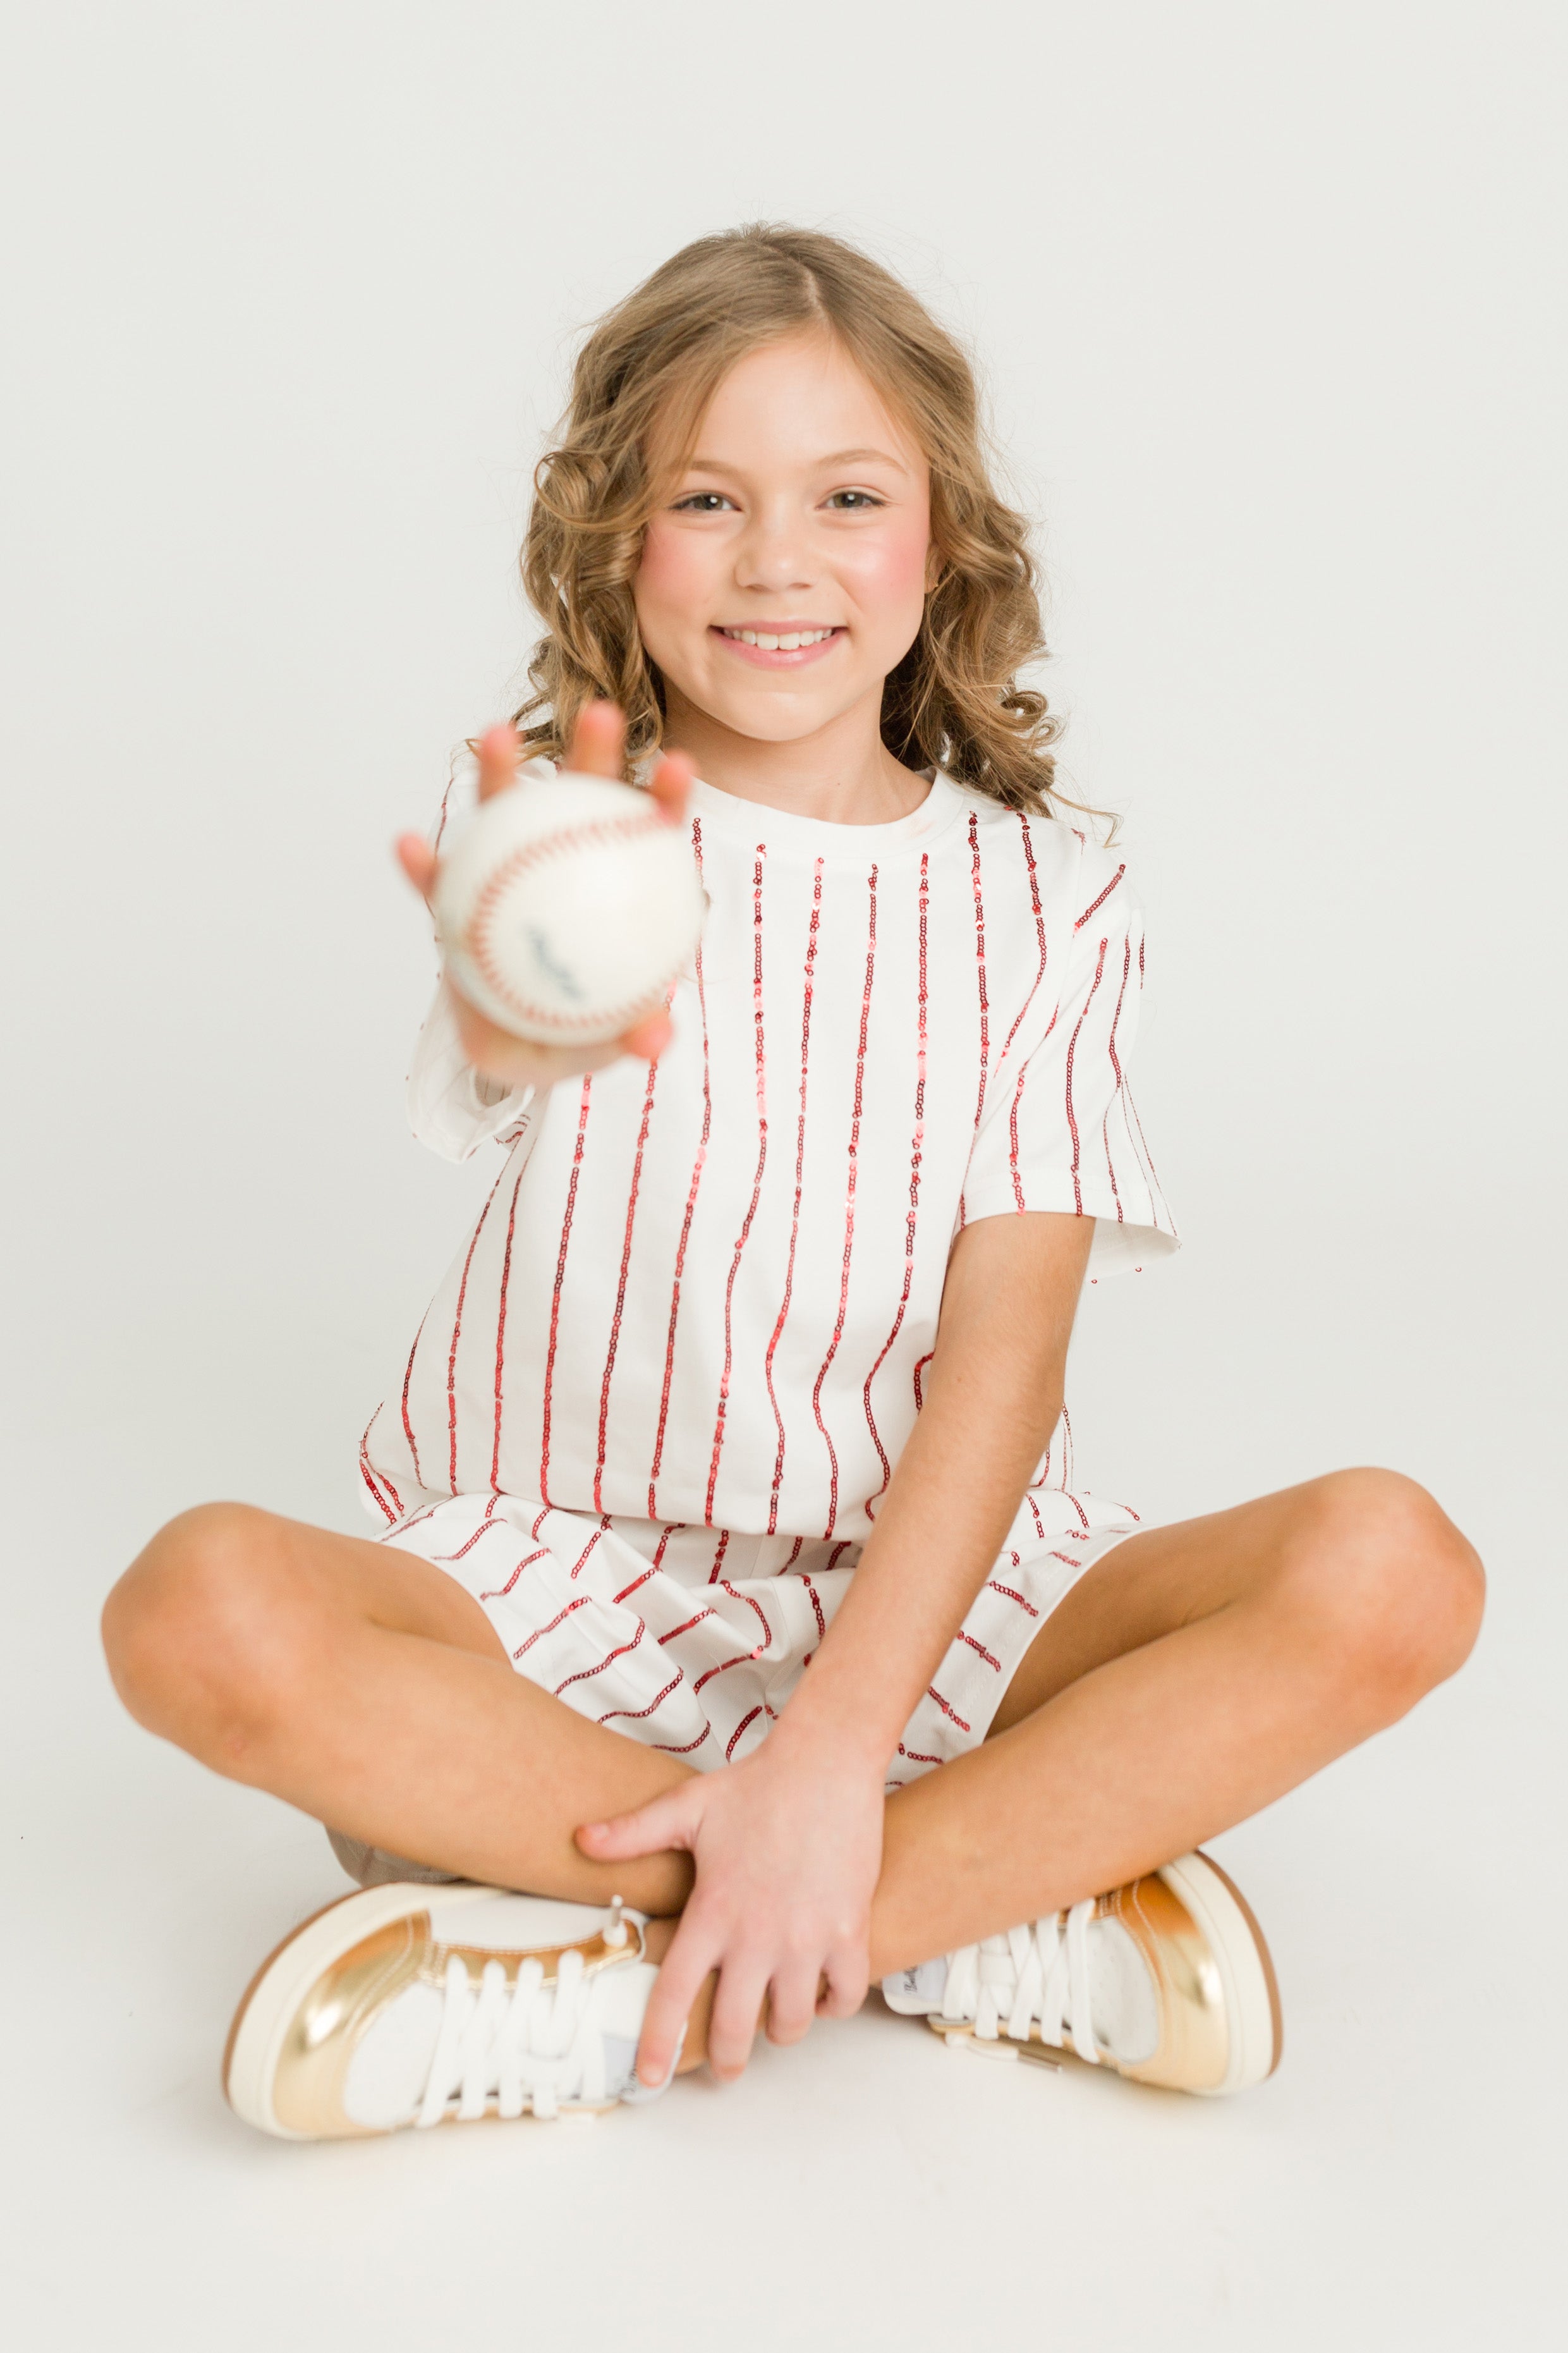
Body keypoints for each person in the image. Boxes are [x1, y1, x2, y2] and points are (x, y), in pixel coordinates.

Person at [102, 224, 1484, 2139]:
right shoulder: (550, 818)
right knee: (199, 1610)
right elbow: (513, 1030)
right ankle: (962, 1911)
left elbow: (1002, 1359)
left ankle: (648, 1951)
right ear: (617, 540)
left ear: (942, 542)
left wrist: (832, 1752)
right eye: (705, 499)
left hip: (928, 1597)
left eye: (848, 497)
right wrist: (526, 981)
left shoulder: (1047, 898)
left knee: (1389, 1568)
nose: (779, 560)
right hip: (557, 1581)